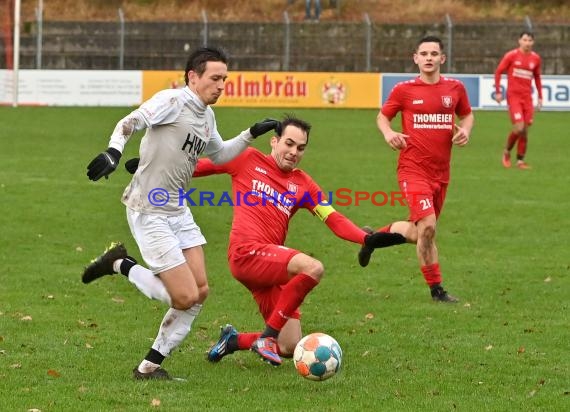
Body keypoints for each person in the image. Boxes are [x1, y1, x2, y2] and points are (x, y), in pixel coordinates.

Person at [81, 46, 279, 380]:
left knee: (199, 293)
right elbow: (131, 121)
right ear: (193, 76)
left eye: (224, 80)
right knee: (183, 295)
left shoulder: (207, 115)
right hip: (149, 209)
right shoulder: (172, 101)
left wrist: (250, 133)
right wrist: (114, 151)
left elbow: (219, 155)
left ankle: (150, 367)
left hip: (178, 209)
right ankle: (118, 263)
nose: (221, 85)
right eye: (215, 78)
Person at [185, 115, 404, 366]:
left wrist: (368, 238)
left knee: (289, 346)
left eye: (300, 148)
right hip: (246, 253)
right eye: (288, 144)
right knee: (313, 267)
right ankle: (266, 338)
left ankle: (233, 341)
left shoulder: (303, 185)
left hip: (270, 264)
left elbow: (333, 219)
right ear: (274, 141)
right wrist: (151, 168)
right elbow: (195, 167)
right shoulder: (246, 159)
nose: (293, 152)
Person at [358, 35, 474, 303]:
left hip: (441, 173)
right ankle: (437, 291)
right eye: (424, 53)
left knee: (419, 231)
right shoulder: (404, 90)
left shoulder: (455, 89)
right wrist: (388, 134)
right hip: (412, 169)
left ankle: (371, 240)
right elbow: (382, 116)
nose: (429, 58)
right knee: (429, 227)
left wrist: (465, 130)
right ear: (416, 58)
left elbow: (467, 114)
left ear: (442, 58)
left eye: (434, 53)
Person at [494, 31, 542, 170]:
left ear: (533, 42)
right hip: (514, 96)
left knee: (525, 130)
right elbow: (498, 72)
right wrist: (498, 92)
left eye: (530, 40)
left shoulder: (536, 59)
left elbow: (537, 77)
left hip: (527, 98)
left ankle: (520, 161)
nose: (527, 43)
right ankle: (506, 152)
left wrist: (540, 96)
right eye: (525, 40)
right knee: (519, 127)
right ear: (519, 41)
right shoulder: (511, 56)